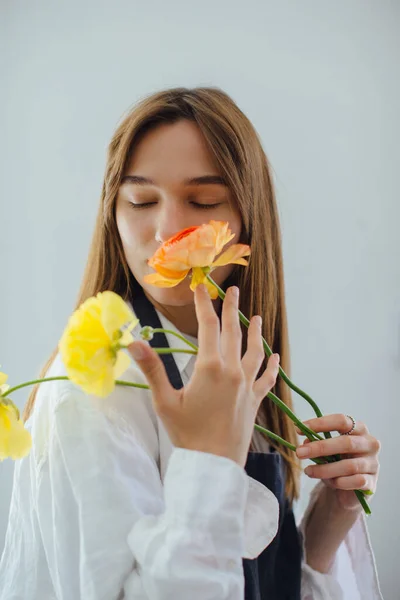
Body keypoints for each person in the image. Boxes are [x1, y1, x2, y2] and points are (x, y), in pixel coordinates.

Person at [0, 87, 382, 599]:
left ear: (250, 217)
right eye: (140, 201)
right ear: (112, 216)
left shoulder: (237, 372)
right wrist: (207, 461)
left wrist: (329, 524)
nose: (168, 232)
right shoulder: (88, 397)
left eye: (202, 202)